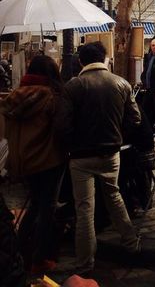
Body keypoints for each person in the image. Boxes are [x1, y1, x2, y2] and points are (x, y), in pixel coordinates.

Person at [58, 42, 141, 274]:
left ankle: (85, 264)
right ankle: (131, 243)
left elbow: (63, 126)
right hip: (111, 153)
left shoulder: (73, 86)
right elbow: (134, 119)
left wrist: (71, 146)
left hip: (80, 157)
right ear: (104, 59)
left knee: (84, 208)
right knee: (114, 197)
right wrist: (118, 137)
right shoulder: (121, 83)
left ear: (81, 61)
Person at [0, 55, 66, 275]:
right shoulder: (50, 98)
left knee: (36, 206)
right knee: (46, 209)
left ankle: (18, 251)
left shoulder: (14, 97)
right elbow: (60, 131)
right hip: (48, 161)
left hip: (23, 162)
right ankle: (38, 258)